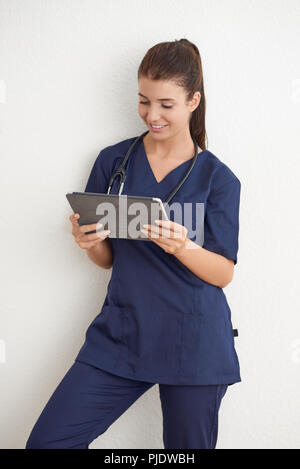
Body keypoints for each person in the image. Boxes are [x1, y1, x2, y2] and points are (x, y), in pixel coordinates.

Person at [25, 38, 241, 450]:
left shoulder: (219, 179)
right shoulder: (113, 162)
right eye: (144, 101)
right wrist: (88, 242)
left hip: (193, 342)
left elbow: (224, 272)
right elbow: (107, 260)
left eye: (166, 104)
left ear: (193, 100)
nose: (151, 115)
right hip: (123, 336)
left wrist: (183, 247)